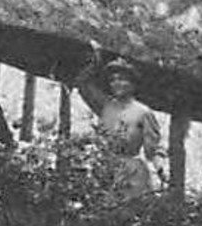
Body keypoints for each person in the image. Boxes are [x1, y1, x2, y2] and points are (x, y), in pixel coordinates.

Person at [69, 48, 163, 202]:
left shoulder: (143, 112)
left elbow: (153, 149)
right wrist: (96, 61)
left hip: (132, 172)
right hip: (105, 168)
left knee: (129, 214)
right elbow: (82, 83)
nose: (116, 83)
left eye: (122, 79)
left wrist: (160, 171)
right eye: (113, 80)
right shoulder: (105, 106)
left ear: (133, 84)